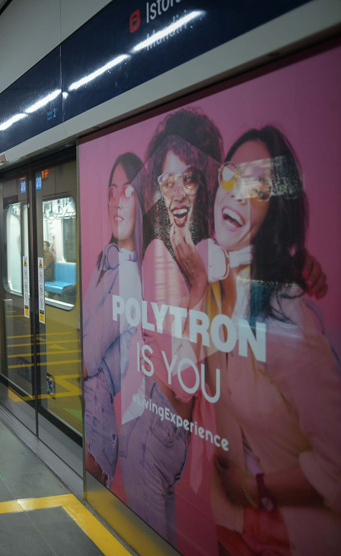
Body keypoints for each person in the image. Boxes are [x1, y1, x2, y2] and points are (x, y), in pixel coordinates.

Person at [175, 127, 340, 555]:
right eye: (231, 176)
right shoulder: (209, 273)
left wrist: (256, 491)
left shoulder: (286, 316)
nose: (238, 194)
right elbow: (181, 383)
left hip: (285, 538)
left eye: (259, 189)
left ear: (273, 212)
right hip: (228, 525)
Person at [117, 108, 223, 546]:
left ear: (205, 183)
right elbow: (183, 383)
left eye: (190, 178)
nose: (178, 194)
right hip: (154, 437)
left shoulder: (202, 247)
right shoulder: (162, 254)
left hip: (169, 437)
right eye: (166, 181)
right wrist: (199, 285)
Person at [82, 153, 144, 487]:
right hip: (90, 401)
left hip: (97, 410)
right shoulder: (107, 259)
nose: (117, 203)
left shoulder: (131, 275)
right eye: (112, 192)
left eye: (128, 193)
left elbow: (90, 354)